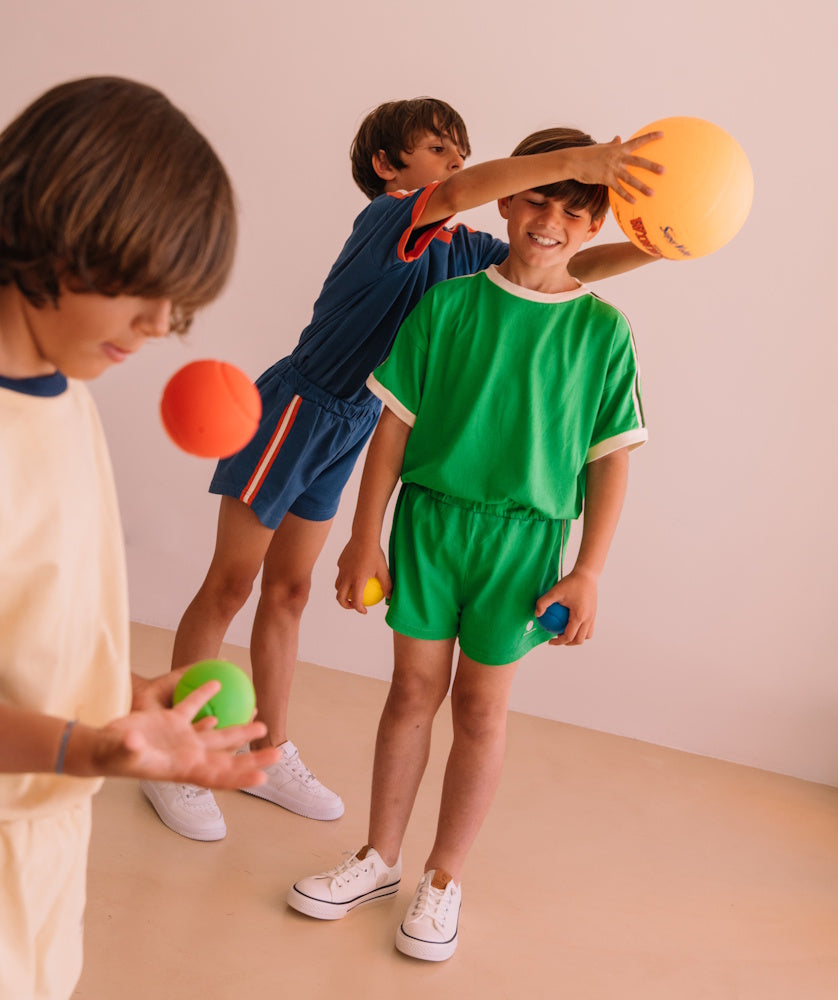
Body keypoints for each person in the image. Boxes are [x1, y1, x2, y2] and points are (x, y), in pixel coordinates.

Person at [141, 97, 662, 842]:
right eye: (441, 150)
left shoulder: (461, 252)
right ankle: (176, 753)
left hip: (354, 423)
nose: (458, 164)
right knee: (230, 584)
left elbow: (567, 263)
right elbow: (455, 193)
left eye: (463, 151)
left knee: (289, 591)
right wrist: (582, 163)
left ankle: (265, 746)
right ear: (391, 167)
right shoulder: (394, 216)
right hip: (298, 407)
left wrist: (662, 242)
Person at [286, 125, 649, 962]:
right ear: (510, 200)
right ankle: (380, 857)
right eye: (539, 198)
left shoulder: (604, 332)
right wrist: (362, 539)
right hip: (431, 525)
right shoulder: (446, 304)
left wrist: (588, 571)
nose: (551, 219)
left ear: (594, 225)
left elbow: (610, 461)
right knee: (411, 695)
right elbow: (390, 431)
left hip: (523, 546)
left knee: (482, 710)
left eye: (574, 208)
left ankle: (442, 879)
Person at [0, 77, 281, 1000]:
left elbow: (38, 617)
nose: (162, 328)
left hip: (40, 844)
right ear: (58, 226)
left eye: (179, 304)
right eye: (148, 292)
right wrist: (90, 748)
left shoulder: (62, 396)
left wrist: (121, 699)